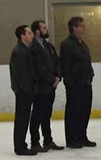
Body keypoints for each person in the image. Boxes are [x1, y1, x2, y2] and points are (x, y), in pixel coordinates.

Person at [59, 15, 96, 147]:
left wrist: (90, 74)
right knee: (73, 111)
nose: (83, 28)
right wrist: (69, 82)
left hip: (86, 82)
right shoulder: (67, 44)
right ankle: (71, 138)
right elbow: (65, 65)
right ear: (74, 28)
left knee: (85, 110)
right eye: (81, 25)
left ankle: (82, 135)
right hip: (75, 83)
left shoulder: (82, 43)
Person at [28, 19, 63, 152]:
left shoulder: (49, 46)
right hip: (40, 87)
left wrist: (58, 76)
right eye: (43, 28)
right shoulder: (33, 48)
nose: (46, 30)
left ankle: (48, 140)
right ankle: (35, 142)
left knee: (47, 115)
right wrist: (50, 79)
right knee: (37, 115)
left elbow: (57, 62)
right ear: (37, 31)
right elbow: (38, 68)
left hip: (50, 87)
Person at [9, 24, 38, 156]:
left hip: (26, 91)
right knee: (22, 119)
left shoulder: (25, 50)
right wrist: (28, 90)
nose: (32, 35)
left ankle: (21, 144)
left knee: (24, 118)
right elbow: (22, 75)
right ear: (22, 36)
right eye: (29, 33)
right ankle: (20, 146)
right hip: (23, 92)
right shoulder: (19, 52)